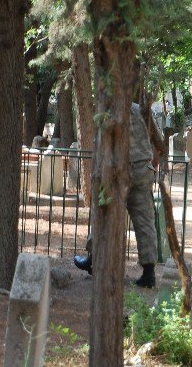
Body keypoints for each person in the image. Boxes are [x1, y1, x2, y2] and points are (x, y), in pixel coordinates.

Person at [74, 103, 159, 288]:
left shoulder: (109, 108)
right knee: (145, 221)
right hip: (143, 167)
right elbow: (156, 138)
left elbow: (101, 143)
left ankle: (93, 258)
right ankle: (149, 271)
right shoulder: (141, 109)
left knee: (104, 215)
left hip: (119, 170)